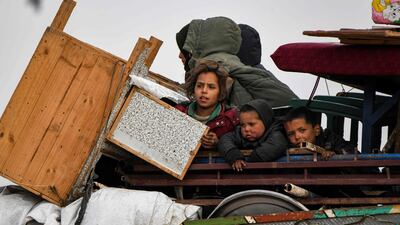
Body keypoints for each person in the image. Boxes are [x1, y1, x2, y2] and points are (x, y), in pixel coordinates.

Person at [175, 16, 298, 108]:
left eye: (183, 50)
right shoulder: (222, 67)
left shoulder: (222, 72)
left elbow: (238, 115)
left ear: (194, 51)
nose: (180, 55)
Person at [175, 59, 239, 150]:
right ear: (193, 88)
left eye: (211, 87)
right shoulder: (178, 113)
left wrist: (219, 143)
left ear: (220, 92)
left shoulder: (230, 120)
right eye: (199, 86)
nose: (204, 91)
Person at [218, 99, 288, 171]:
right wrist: (234, 155)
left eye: (251, 124)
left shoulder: (276, 132)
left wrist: (251, 161)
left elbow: (277, 144)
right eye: (242, 125)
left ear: (265, 120)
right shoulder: (239, 133)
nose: (246, 129)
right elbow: (225, 140)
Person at [283, 106, 356, 158]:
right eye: (291, 134)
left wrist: (335, 156)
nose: (297, 137)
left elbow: (353, 158)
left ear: (316, 130)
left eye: (302, 130)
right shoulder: (285, 147)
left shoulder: (331, 140)